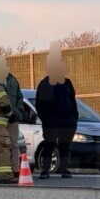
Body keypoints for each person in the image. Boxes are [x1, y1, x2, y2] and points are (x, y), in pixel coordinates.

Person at [34, 42, 79, 179]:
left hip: (67, 122)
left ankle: (64, 170)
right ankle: (45, 170)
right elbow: (39, 105)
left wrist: (74, 118)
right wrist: (46, 120)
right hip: (51, 123)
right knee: (49, 145)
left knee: (65, 146)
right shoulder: (45, 84)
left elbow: (72, 101)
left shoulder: (67, 83)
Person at [0, 56, 25, 177]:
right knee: (1, 145)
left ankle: (15, 170)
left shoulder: (13, 80)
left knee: (14, 144)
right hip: (0, 119)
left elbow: (20, 97)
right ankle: (2, 170)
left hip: (13, 118)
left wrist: (18, 111)